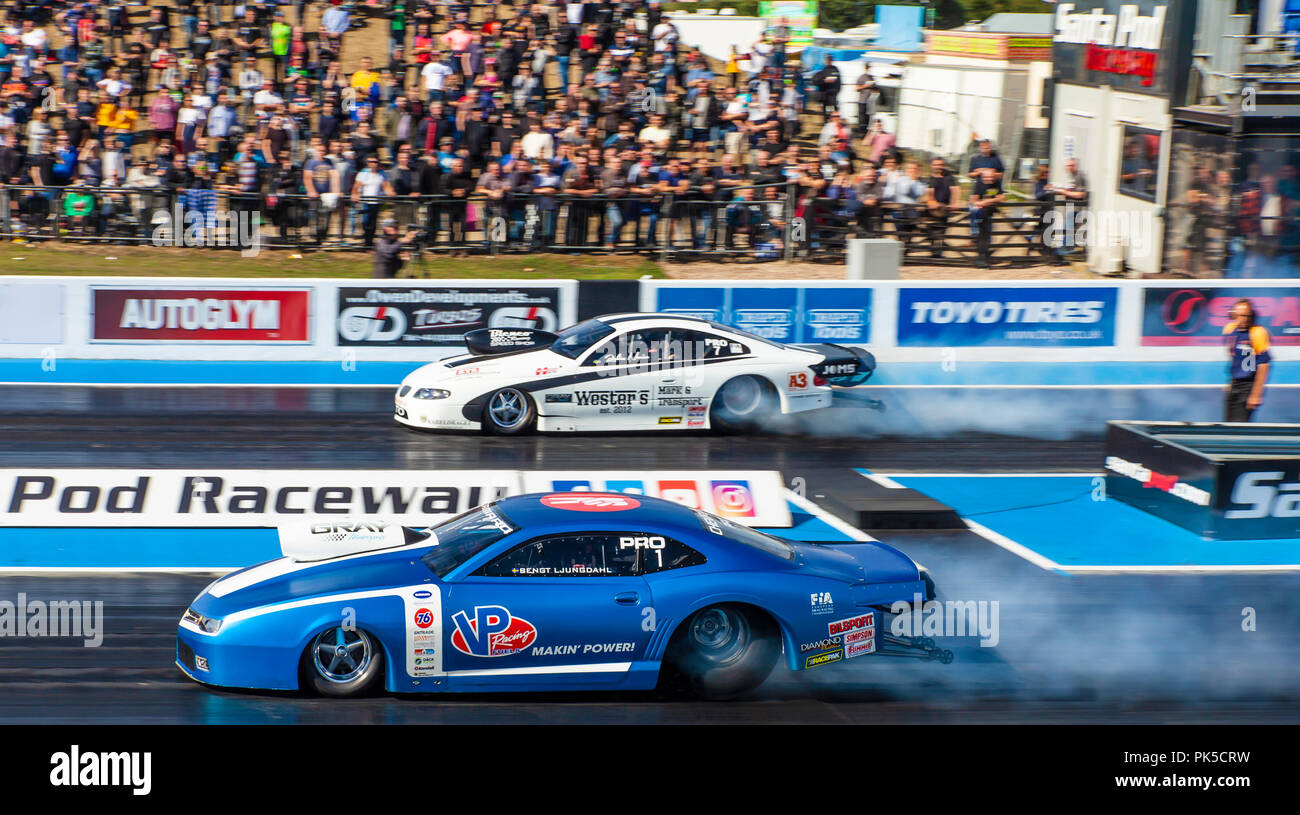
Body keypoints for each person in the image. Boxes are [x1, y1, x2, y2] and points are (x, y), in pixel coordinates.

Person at [1223, 299, 1272, 422]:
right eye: (1240, 315)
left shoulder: (1258, 333)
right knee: (1228, 424)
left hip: (1248, 386)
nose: (1244, 319)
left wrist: (1256, 394)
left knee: (1239, 425)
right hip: (1235, 384)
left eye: (1247, 315)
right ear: (1234, 315)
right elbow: (1233, 357)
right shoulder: (1229, 330)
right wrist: (1230, 382)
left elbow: (1264, 365)